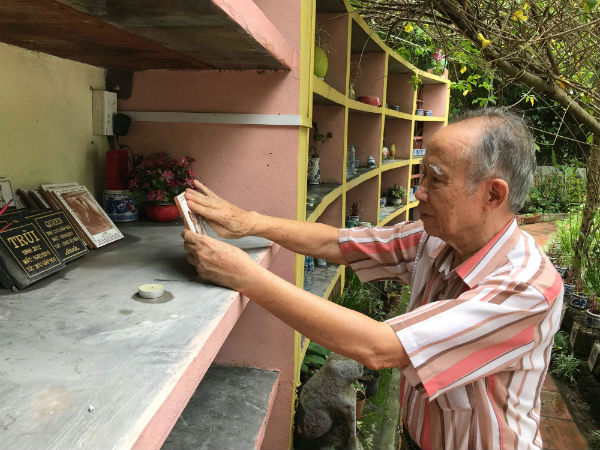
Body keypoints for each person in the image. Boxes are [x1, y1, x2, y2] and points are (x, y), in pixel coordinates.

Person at [181, 108, 563, 450]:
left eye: (436, 179)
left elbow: (380, 347)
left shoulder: (526, 288)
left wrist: (246, 276)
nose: (419, 192)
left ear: (493, 195)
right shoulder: (436, 239)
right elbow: (339, 242)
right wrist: (247, 222)